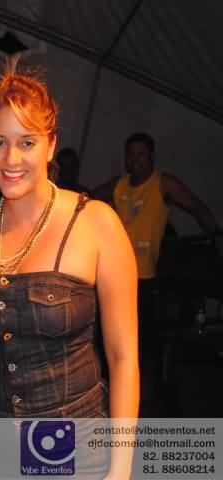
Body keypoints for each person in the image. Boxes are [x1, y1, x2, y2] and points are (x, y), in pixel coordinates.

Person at [0, 72, 139, 478]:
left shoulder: (96, 224)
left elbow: (123, 357)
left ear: (51, 144)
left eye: (27, 142)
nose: (11, 159)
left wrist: (121, 470)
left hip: (77, 455)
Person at [93, 131, 222, 415]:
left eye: (141, 154)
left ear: (151, 156)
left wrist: (215, 234)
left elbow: (195, 205)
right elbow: (87, 199)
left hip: (144, 280)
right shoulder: (118, 185)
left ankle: (143, 406)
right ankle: (106, 402)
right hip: (113, 278)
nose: (135, 160)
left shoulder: (163, 183)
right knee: (106, 343)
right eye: (130, 155)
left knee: (141, 347)